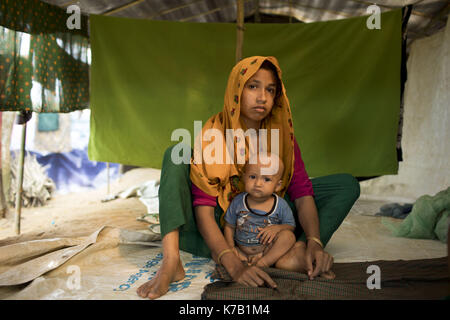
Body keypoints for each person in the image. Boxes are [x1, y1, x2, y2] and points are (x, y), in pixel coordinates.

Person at [137, 56, 360, 299]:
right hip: (216, 230)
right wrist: (232, 262)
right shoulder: (214, 135)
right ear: (236, 90)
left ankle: (300, 251)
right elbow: (203, 208)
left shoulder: (282, 137)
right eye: (253, 86)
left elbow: (301, 193)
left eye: (270, 89)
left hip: (270, 224)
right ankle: (172, 261)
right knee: (175, 155)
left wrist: (316, 241)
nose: (262, 96)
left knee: (346, 185)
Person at [224, 153, 297, 269]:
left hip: (266, 251)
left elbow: (290, 226)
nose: (258, 184)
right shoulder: (238, 201)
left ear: (277, 185)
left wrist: (278, 228)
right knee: (217, 253)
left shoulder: (280, 204)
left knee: (288, 237)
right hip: (241, 251)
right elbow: (229, 226)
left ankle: (263, 263)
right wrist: (230, 248)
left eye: (266, 179)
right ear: (244, 177)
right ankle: (244, 262)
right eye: (252, 177)